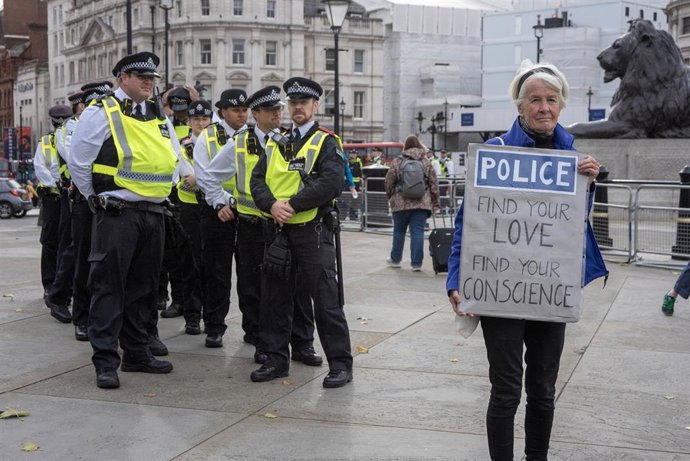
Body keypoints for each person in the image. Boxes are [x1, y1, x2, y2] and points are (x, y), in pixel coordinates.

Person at [445, 60, 608, 461]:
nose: (544, 107)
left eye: (551, 100)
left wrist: (590, 183)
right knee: (505, 388)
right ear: (520, 108)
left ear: (561, 106)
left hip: (549, 289)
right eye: (535, 100)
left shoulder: (574, 158)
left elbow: (572, 228)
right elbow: (470, 223)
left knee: (543, 389)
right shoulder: (496, 153)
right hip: (502, 289)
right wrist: (454, 277)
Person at [70, 51, 187, 389]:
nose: (149, 82)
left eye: (152, 77)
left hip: (154, 213)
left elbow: (175, 156)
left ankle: (136, 353)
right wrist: (98, 198)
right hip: (118, 212)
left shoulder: (156, 114)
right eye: (141, 76)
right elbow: (80, 160)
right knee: (108, 287)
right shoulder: (101, 111)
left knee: (144, 289)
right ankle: (106, 361)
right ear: (122, 78)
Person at [250, 77, 352, 388]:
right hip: (280, 232)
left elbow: (331, 183)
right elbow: (257, 181)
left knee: (325, 300)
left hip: (313, 231)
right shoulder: (276, 140)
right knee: (275, 300)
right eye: (292, 103)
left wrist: (291, 205)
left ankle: (340, 364)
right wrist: (272, 206)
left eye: (303, 103)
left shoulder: (326, 141)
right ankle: (276, 360)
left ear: (315, 106)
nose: (297, 108)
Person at [194, 88, 248, 348]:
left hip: (248, 212)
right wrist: (220, 203)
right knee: (216, 272)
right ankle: (214, 326)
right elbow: (203, 174)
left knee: (250, 274)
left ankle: (254, 327)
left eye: (244, 109)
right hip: (218, 211)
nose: (242, 114)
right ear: (222, 112)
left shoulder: (253, 136)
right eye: (236, 110)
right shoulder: (208, 137)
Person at [63, 81, 114, 342]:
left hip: (111, 200)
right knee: (84, 260)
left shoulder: (116, 121)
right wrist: (88, 193)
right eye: (93, 103)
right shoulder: (75, 127)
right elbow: (76, 161)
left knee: (109, 265)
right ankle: (81, 318)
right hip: (86, 200)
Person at [34, 105, 72, 322]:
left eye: (63, 119)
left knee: (67, 244)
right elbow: (41, 168)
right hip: (52, 197)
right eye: (57, 120)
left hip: (68, 197)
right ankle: (50, 286)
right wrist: (56, 183)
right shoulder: (46, 142)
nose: (59, 123)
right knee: (50, 243)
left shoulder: (72, 138)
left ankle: (64, 285)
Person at [384, 135, 440, 272]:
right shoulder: (426, 162)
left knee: (398, 231)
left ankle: (396, 260)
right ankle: (416, 264)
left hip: (400, 203)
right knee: (417, 233)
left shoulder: (398, 161)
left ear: (406, 146)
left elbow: (389, 181)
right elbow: (434, 184)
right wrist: (435, 203)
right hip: (421, 204)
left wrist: (390, 195)